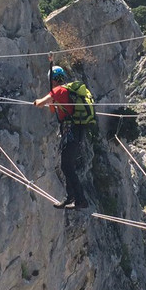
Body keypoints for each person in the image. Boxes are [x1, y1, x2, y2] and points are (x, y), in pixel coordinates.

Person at [34, 65, 92, 209]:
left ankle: (80, 199)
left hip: (71, 132)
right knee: (66, 165)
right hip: (76, 131)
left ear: (52, 80)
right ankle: (71, 197)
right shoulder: (65, 91)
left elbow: (41, 103)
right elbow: (54, 109)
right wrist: (53, 101)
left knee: (67, 166)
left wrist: (37, 101)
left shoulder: (58, 90)